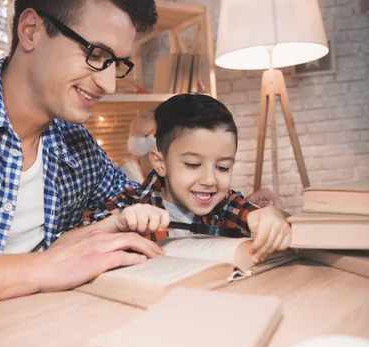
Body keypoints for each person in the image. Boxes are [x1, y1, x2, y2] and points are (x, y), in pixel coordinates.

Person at [0, 0, 163, 307]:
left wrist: (241, 206)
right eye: (97, 55)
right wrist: (44, 267)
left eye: (116, 64)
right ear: (31, 30)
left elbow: (145, 200)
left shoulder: (74, 144)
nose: (109, 84)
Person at [69, 94, 291, 264]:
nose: (209, 180)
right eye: (193, 165)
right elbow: (63, 248)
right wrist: (117, 224)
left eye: (223, 167)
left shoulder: (227, 205)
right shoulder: (129, 206)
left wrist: (277, 216)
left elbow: (284, 227)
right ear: (160, 163)